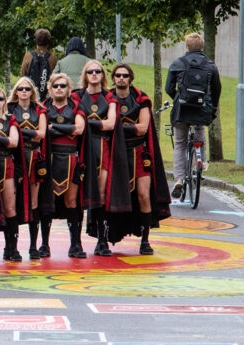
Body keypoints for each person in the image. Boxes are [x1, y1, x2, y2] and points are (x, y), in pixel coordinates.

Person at [105, 62, 171, 253]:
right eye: (118, 75)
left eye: (124, 75)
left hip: (137, 151)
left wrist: (115, 128)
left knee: (143, 195)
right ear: (113, 78)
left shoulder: (141, 99)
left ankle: (145, 240)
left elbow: (142, 128)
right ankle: (106, 236)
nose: (121, 78)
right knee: (109, 195)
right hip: (114, 154)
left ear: (130, 78)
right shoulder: (108, 98)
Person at [165, 31, 222, 201]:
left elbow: (169, 88)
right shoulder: (210, 66)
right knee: (199, 132)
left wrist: (178, 98)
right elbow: (216, 89)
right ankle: (202, 162)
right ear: (202, 46)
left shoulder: (178, 63)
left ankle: (179, 179)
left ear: (187, 46)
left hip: (181, 110)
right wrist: (212, 107)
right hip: (201, 109)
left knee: (181, 143)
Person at [40, 73, 87, 258]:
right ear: (50, 89)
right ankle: (44, 244)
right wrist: (66, 129)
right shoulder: (43, 107)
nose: (59, 88)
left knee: (72, 202)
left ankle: (76, 244)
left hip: (71, 158)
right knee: (46, 202)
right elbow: (42, 130)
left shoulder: (76, 106)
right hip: (49, 159)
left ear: (68, 89)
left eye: (62, 85)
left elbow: (80, 129)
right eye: (55, 86)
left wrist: (53, 128)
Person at [75, 61, 117, 256]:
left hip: (102, 146)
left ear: (102, 75)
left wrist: (84, 122)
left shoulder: (110, 97)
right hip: (81, 146)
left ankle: (102, 239)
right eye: (90, 71)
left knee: (100, 193)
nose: (94, 74)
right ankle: (75, 243)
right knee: (76, 193)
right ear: (85, 74)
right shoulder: (76, 96)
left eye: (97, 71)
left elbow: (110, 124)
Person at [8, 75, 49, 257]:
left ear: (32, 92)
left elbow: (41, 134)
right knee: (12, 203)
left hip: (33, 157)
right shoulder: (9, 108)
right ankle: (11, 247)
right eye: (20, 89)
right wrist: (27, 133)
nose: (23, 92)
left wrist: (16, 129)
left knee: (33, 203)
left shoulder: (39, 110)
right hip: (15, 158)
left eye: (27, 89)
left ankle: (33, 246)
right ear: (15, 92)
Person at [0, 87, 25, 261]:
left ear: (4, 101)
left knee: (10, 207)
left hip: (6, 162)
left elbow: (14, 142)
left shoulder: (11, 120)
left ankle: (12, 247)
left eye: (0, 98)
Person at [21, 28, 56, 103]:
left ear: (35, 41)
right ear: (48, 42)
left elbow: (23, 75)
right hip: (47, 98)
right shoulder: (52, 58)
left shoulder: (28, 56)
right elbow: (54, 78)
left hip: (30, 97)